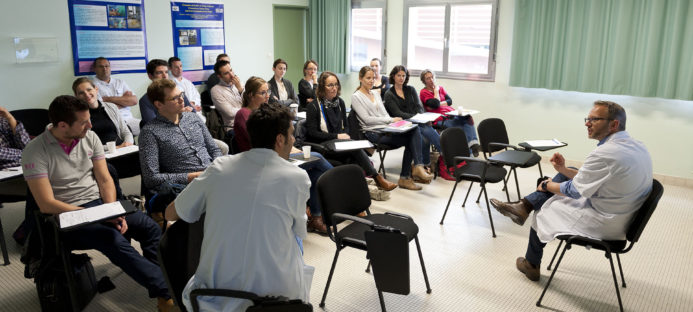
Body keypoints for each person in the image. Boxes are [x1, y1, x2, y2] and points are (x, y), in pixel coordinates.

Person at [21, 95, 173, 311]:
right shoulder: (35, 151)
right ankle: (169, 291)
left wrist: (110, 210)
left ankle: (159, 288)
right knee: (112, 238)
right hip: (68, 215)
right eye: (83, 122)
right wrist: (99, 215)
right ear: (63, 125)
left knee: (149, 227)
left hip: (101, 205)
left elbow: (104, 178)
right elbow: (46, 204)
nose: (90, 126)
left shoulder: (89, 137)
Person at [165, 103, 313, 312]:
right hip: (278, 300)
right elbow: (300, 231)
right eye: (291, 135)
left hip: (216, 298)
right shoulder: (297, 177)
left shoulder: (220, 167)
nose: (293, 140)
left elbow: (171, 213)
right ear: (279, 140)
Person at [489, 101, 652, 282]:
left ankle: (531, 263)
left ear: (614, 124)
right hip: (622, 213)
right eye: (587, 119)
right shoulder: (637, 146)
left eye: (594, 119)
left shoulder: (605, 153)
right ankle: (524, 205)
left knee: (543, 208)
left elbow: (574, 191)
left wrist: (545, 185)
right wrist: (564, 170)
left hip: (604, 223)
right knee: (570, 172)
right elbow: (594, 177)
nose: (587, 123)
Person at [234, 77, 332, 233]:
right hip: (260, 161)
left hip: (277, 155)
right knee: (317, 157)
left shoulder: (265, 112)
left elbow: (278, 137)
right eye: (263, 92)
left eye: (268, 91)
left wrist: (290, 148)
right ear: (251, 95)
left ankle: (316, 216)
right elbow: (261, 142)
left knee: (315, 174)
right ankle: (336, 186)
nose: (267, 96)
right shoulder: (243, 114)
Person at [305, 71, 397, 191]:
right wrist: (337, 135)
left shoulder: (340, 103)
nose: (334, 88)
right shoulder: (313, 106)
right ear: (322, 87)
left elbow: (346, 126)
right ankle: (377, 178)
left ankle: (357, 195)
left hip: (340, 143)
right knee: (356, 151)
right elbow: (312, 133)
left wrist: (345, 135)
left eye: (336, 84)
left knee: (354, 159)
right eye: (330, 85)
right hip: (323, 145)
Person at [138, 79, 221, 206]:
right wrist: (192, 176)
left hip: (213, 176)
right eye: (174, 98)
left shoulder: (193, 118)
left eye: (181, 95)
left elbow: (214, 149)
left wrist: (219, 166)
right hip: (187, 187)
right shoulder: (150, 132)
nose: (182, 100)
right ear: (159, 104)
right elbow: (151, 178)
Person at [350, 66, 432, 190]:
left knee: (413, 130)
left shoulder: (376, 94)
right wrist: (390, 120)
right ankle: (408, 175)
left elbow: (384, 114)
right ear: (360, 78)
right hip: (373, 133)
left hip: (387, 129)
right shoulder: (356, 96)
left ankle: (415, 169)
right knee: (412, 136)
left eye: (373, 78)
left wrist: (392, 123)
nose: (371, 81)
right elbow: (367, 120)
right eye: (368, 78)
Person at [73, 77, 140, 179]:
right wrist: (112, 148)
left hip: (122, 149)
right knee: (110, 169)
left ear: (96, 89)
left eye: (89, 89)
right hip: (100, 155)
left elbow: (126, 131)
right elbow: (86, 145)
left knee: (145, 159)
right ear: (76, 96)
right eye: (81, 93)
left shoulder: (111, 107)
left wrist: (127, 143)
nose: (86, 94)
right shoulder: (79, 116)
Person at [384, 65, 441, 175]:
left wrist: (418, 117)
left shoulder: (411, 89)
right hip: (403, 124)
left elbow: (419, 107)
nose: (401, 78)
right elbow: (397, 114)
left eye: (404, 75)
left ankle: (424, 166)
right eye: (399, 75)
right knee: (424, 134)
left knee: (425, 135)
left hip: (417, 121)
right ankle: (435, 162)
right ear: (393, 77)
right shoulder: (389, 94)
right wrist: (415, 117)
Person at [419, 69, 480, 156]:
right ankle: (467, 153)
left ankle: (473, 144)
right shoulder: (424, 92)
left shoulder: (441, 88)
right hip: (440, 118)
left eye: (432, 77)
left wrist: (439, 103)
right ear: (424, 81)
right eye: (428, 78)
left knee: (468, 117)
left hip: (451, 114)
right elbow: (436, 104)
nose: (431, 80)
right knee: (460, 129)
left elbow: (450, 101)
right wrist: (436, 92)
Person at [91, 57, 140, 135]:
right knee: (127, 132)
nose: (104, 68)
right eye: (101, 66)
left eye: (107, 66)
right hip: (110, 121)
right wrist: (123, 101)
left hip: (129, 118)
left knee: (146, 126)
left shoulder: (120, 82)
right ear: (95, 69)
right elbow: (101, 108)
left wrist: (107, 99)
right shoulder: (91, 85)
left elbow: (134, 101)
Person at [139, 59, 196, 124]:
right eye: (159, 73)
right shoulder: (145, 100)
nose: (164, 76)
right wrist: (181, 113)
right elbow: (152, 124)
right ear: (150, 76)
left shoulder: (179, 92)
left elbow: (193, 112)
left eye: (166, 72)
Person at [0, 106, 31, 198]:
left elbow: (27, 146)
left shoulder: (2, 121)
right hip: (5, 176)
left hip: (23, 168)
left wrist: (10, 118)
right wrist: (25, 154)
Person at [210, 60, 243, 128]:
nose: (231, 75)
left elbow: (252, 101)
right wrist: (248, 108)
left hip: (249, 121)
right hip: (233, 126)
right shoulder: (216, 90)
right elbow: (230, 113)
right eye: (226, 73)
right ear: (219, 76)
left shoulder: (240, 84)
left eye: (231, 70)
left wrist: (240, 89)